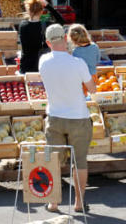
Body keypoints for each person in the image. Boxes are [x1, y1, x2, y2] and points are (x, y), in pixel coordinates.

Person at [38, 23, 96, 214]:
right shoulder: (78, 63)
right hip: (78, 117)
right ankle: (79, 203)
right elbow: (93, 88)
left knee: (53, 160)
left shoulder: (43, 62)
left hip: (54, 117)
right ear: (66, 39)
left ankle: (53, 202)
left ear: (48, 42)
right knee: (79, 161)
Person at [18, 0, 47, 73]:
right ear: (42, 11)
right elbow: (62, 21)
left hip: (25, 67)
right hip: (40, 67)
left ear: (28, 10)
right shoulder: (44, 26)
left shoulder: (23, 25)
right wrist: (48, 5)